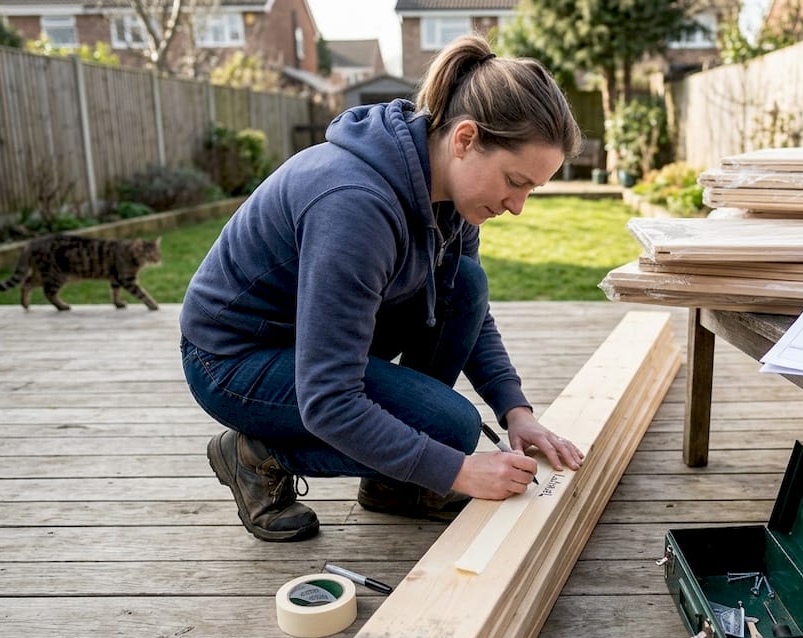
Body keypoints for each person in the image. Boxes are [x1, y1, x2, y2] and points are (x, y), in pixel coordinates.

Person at [178, 35, 586, 542]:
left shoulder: (451, 196)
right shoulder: (354, 205)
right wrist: (456, 470)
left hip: (309, 339)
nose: (518, 204)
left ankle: (393, 484)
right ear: (464, 139)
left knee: (466, 284)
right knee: (451, 429)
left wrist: (516, 411)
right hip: (233, 360)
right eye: (515, 181)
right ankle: (254, 456)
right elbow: (329, 398)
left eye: (531, 189)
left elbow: (468, 310)